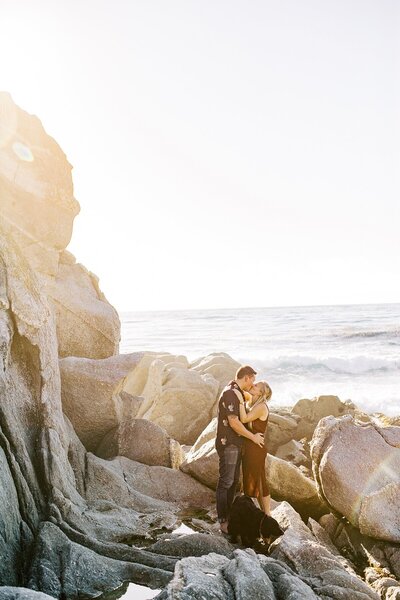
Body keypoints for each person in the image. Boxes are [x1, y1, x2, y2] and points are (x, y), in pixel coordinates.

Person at [215, 365, 265, 534]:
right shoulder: (230, 393)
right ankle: (223, 522)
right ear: (247, 377)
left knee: (234, 482)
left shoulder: (237, 392)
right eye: (253, 380)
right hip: (228, 443)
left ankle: (229, 517)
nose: (253, 384)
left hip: (236, 444)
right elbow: (234, 422)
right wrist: (253, 438)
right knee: (226, 482)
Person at [239, 381, 272, 515]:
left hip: (256, 448)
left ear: (261, 393)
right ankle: (263, 513)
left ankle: (267, 514)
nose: (253, 385)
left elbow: (245, 419)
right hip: (251, 447)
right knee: (254, 479)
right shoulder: (253, 404)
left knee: (259, 480)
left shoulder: (261, 407)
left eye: (256, 386)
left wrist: (240, 400)